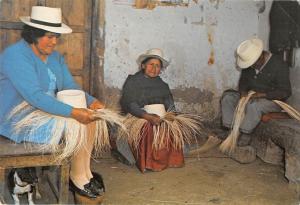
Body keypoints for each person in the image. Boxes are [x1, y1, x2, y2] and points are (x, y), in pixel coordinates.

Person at [0, 6, 105, 199]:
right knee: (77, 121)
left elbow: (69, 86)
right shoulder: (15, 56)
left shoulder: (55, 58)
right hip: (18, 117)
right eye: (48, 36)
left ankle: (85, 173)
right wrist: (74, 112)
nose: (54, 42)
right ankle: (77, 177)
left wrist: (92, 102)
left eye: (56, 36)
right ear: (33, 34)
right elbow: (35, 97)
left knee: (93, 119)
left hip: (46, 110)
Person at [202, 38, 292, 163]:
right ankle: (230, 132)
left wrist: (263, 94)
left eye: (254, 63)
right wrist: (243, 92)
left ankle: (244, 136)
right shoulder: (250, 65)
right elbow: (243, 83)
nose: (251, 66)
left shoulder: (279, 65)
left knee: (254, 105)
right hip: (250, 97)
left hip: (271, 101)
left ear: (261, 56)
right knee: (228, 97)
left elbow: (285, 91)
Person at [119, 48, 199, 173]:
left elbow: (170, 105)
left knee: (171, 129)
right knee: (149, 128)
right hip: (140, 116)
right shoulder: (133, 81)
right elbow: (130, 104)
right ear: (143, 65)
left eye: (157, 66)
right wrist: (147, 116)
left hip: (161, 117)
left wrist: (172, 116)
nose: (154, 68)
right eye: (151, 64)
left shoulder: (163, 85)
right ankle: (150, 162)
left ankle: (170, 160)